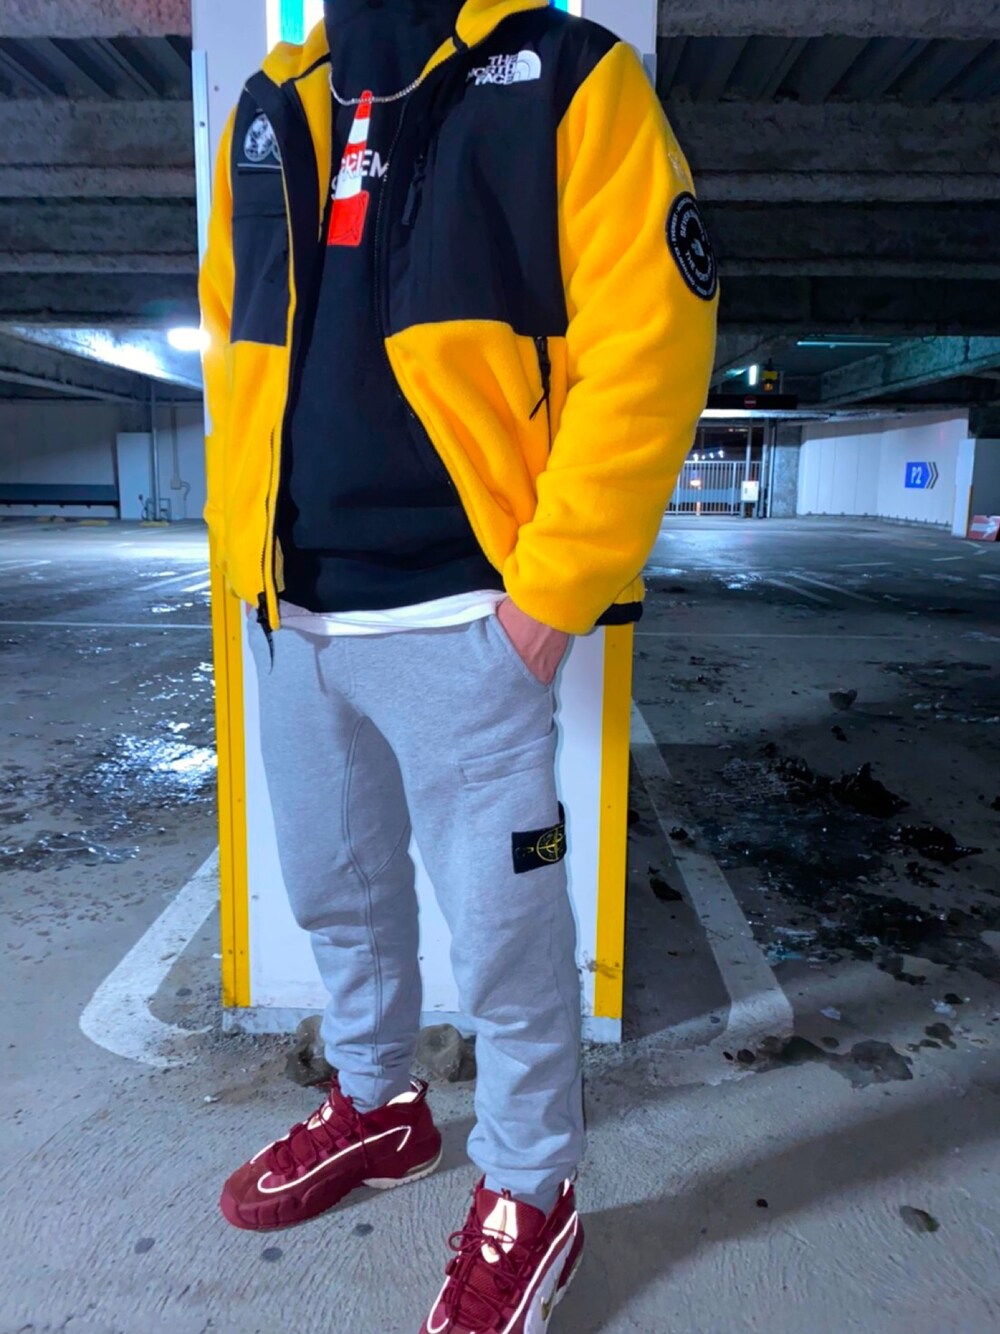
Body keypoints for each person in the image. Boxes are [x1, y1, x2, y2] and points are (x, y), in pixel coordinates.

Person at [199, 0, 718, 1328]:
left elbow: (653, 341)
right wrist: (243, 567)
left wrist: (546, 603)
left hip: (467, 618)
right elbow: (233, 359)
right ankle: (378, 1105)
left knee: (505, 943)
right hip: (295, 614)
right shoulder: (271, 107)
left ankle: (532, 1191)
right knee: (337, 893)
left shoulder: (564, 77)